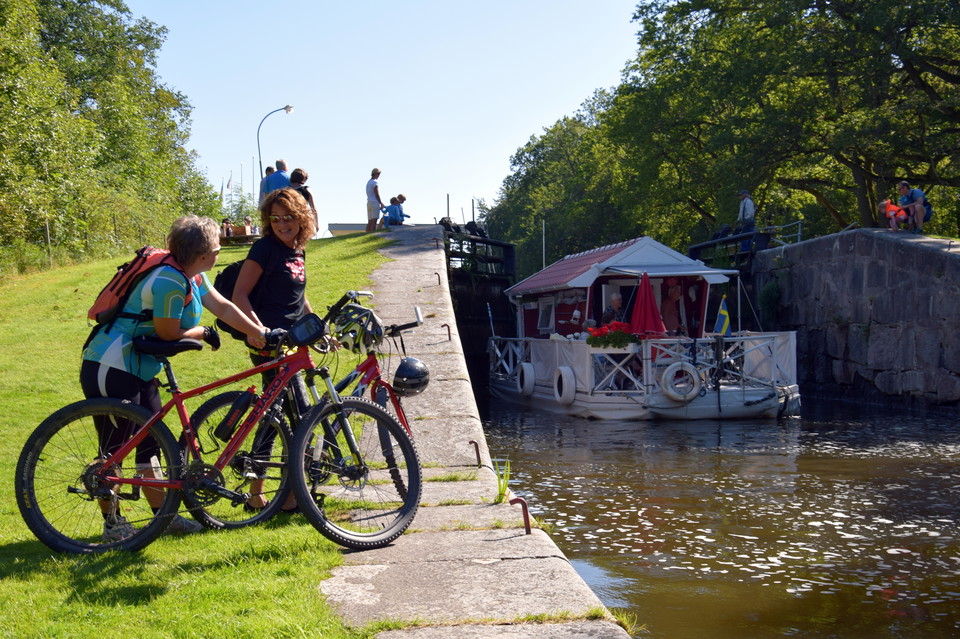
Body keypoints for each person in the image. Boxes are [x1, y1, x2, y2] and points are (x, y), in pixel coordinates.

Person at [81, 216, 269, 541]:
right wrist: (204, 332)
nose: (220, 251)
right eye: (216, 247)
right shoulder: (170, 280)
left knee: (150, 445)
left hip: (139, 366)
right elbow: (169, 332)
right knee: (116, 449)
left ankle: (163, 519)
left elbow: (222, 307)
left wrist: (260, 332)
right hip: (110, 365)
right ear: (202, 253)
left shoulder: (193, 275)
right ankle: (112, 524)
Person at [232, 188, 317, 511]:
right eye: (275, 219)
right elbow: (240, 295)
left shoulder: (298, 249)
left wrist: (314, 325)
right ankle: (267, 492)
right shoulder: (264, 249)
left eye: (289, 218)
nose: (282, 224)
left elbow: (299, 298)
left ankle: (286, 490)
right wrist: (259, 331)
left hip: (293, 343)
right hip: (269, 344)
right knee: (288, 414)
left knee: (285, 415)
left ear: (301, 218)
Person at [365, 168, 385, 233]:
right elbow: (377, 194)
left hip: (369, 202)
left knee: (370, 220)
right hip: (374, 202)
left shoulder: (368, 182)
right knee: (374, 220)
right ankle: (372, 233)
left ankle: (367, 233)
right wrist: (381, 203)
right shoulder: (375, 182)